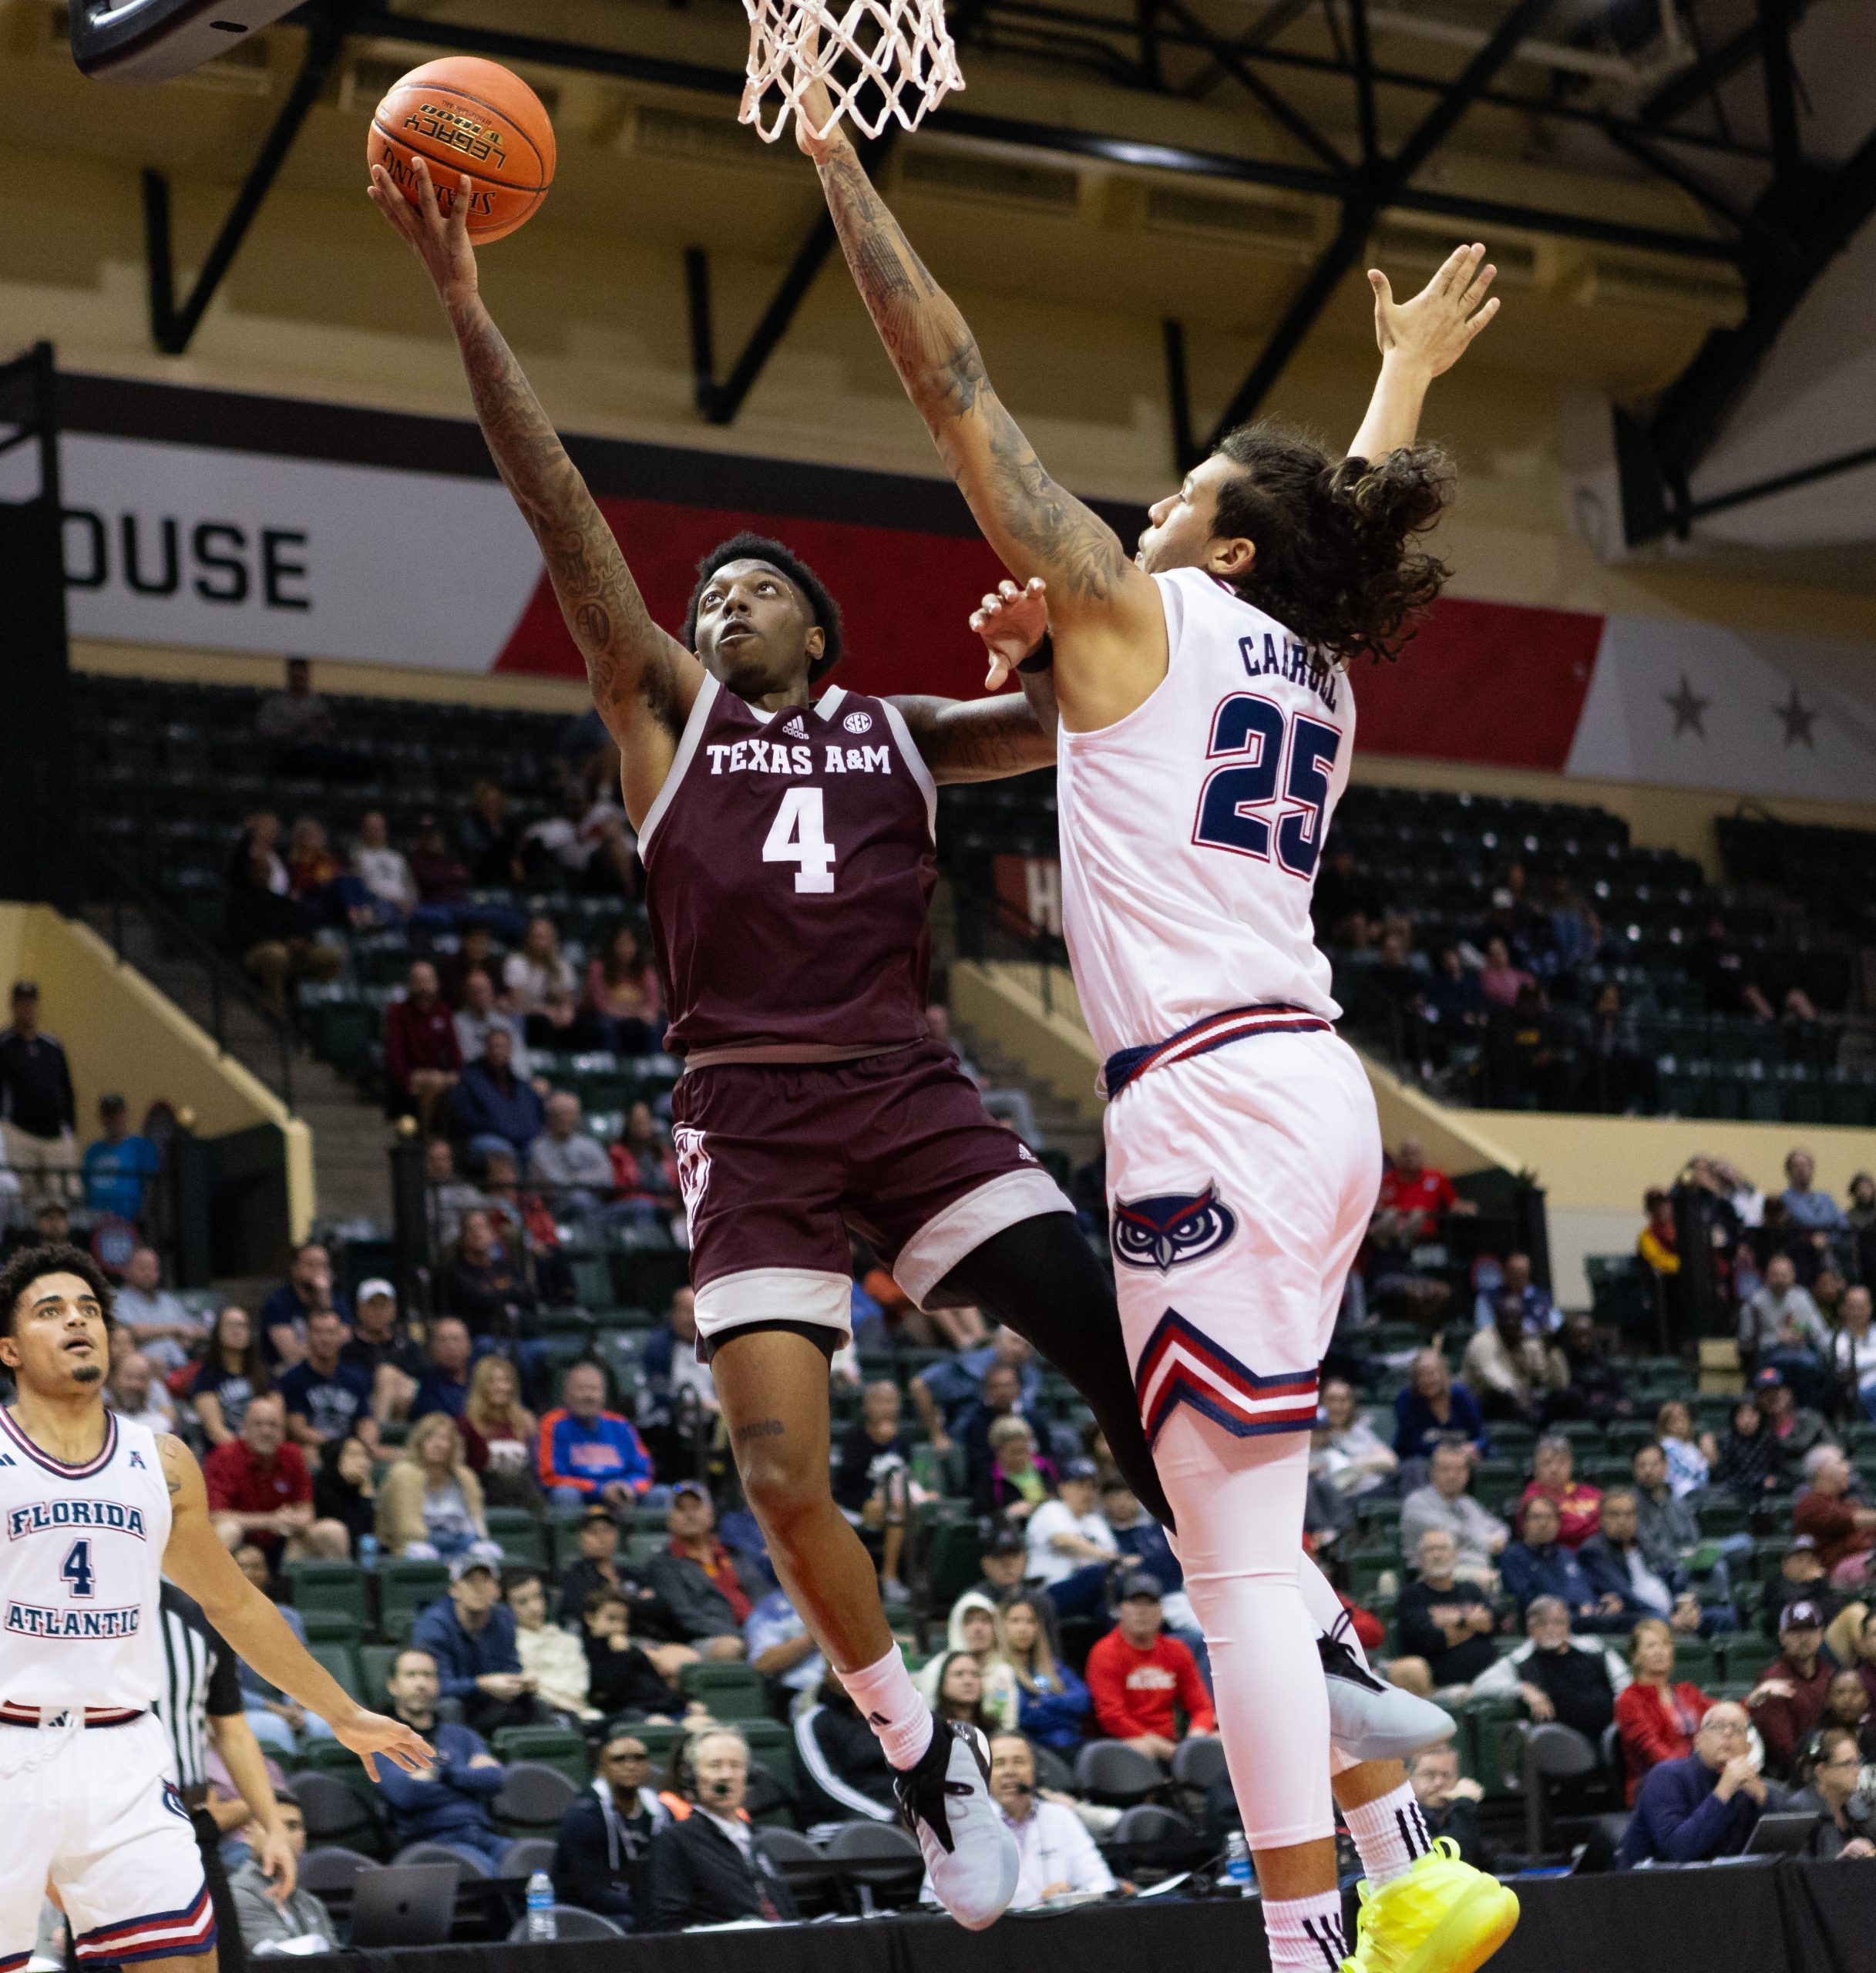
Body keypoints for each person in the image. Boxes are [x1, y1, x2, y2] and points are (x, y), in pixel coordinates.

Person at [373, 154, 1443, 1943]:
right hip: (751, 1114)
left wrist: (1046, 653)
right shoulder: (658, 714)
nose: (721, 598)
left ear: (827, 627)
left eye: (759, 583)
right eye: (706, 589)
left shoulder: (907, 731)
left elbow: (1147, 675)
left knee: (1134, 1372)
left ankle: (1329, 1702)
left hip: (918, 1091)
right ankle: (924, 1756)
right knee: (781, 1473)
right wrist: (469, 310)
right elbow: (560, 507)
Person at [0, 1241, 431, 1973]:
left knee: (189, 1964)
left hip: (123, 1754)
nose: (78, 1321)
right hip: (9, 1748)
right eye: (51, 1311)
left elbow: (235, 1605)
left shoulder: (160, 1463)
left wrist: (341, 1711)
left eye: (90, 1309)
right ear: (9, 1348)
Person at [644, 1727, 799, 1929]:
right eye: (715, 1766)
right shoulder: (675, 1840)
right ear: (691, 1776)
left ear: (749, 1775)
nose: (726, 1775)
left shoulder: (755, 1840)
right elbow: (668, 1924)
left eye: (735, 1765)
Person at [374, 1645, 510, 1870]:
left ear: (437, 1684)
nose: (421, 1684)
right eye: (411, 1675)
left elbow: (494, 1779)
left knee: (538, 1867)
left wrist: (439, 1773)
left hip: (484, 1836)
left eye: (428, 1676)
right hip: (434, 1844)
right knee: (489, 1872)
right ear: (393, 1686)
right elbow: (405, 1794)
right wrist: (467, 1777)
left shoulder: (462, 1735)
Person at [1084, 1574, 1216, 1760]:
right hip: (1128, 1742)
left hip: (1173, 1740)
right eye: (1135, 1603)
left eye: (1150, 1604)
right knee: (1142, 1748)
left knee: (1217, 1741)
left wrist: (1196, 1738)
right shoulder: (1105, 1652)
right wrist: (1163, 1748)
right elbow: (1112, 1717)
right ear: (1121, 1609)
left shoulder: (1177, 1650)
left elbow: (1201, 1707)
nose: (1142, 1611)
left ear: (1161, 1611)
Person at [204, 1393, 350, 1563]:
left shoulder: (293, 1454)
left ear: (282, 1431)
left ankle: (308, 1588)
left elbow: (306, 1512)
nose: (266, 1431)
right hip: (242, 1542)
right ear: (244, 1429)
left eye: (273, 1425)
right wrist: (271, 1521)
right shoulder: (223, 1456)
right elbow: (215, 1516)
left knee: (333, 1531)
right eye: (259, 1424)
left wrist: (292, 1520)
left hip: (284, 1541)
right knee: (228, 1530)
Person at [1617, 1703, 1766, 1867]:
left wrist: (1763, 1800)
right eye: (1718, 1726)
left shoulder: (1746, 1785)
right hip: (1650, 1884)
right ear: (1698, 1741)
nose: (1728, 1733)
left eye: (1737, 1729)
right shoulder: (1666, 1776)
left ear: (1748, 1748)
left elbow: (1774, 1851)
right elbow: (1679, 1850)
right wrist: (1723, 1792)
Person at [410, 1555, 540, 1736]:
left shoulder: (504, 1618)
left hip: (489, 1703)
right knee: (450, 1707)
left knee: (536, 1704)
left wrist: (521, 1682)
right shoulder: (434, 1625)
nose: (479, 1588)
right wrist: (481, 1684)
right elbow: (437, 1686)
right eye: (471, 1581)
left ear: (496, 1590)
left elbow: (510, 1667)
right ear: (454, 1590)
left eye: (486, 1581)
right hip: (453, 1704)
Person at [1471, 1595, 1629, 1744]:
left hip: (1611, 1732)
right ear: (1530, 1629)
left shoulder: (1594, 1648)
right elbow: (1480, 1685)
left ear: (1567, 1625)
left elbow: (1625, 1684)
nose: (1550, 1629)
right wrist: (1523, 1689)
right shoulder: (1519, 1660)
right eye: (1542, 1623)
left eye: (1558, 1622)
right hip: (1559, 1744)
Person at [983, 1732, 1117, 1906]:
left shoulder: (1060, 1817)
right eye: (999, 1764)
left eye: (1018, 1762)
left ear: (1037, 1771)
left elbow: (1101, 1883)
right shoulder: (969, 1825)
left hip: (1057, 1926)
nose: (1009, 1772)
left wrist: (1069, 1897)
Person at [553, 1729, 670, 1919]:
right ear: (601, 1769)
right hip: (588, 1915)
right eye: (620, 1759)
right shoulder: (583, 1818)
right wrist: (651, 1908)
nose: (631, 1766)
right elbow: (591, 1891)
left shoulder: (661, 1812)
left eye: (639, 1758)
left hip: (644, 1907)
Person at [1577, 1489, 1712, 1637]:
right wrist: (1670, 1619)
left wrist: (1686, 1605)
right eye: (1615, 1514)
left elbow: (1671, 1574)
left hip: (1667, 1614)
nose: (1623, 1521)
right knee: (1658, 1622)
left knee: (1722, 1618)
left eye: (1629, 1514)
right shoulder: (1594, 1551)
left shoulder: (1642, 1544)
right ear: (1602, 1519)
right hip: (1636, 1619)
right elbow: (1626, 1597)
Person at [377, 1410, 502, 1565]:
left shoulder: (465, 1476)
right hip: (422, 1545)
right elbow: (404, 1530)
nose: (439, 1444)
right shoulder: (404, 1474)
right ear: (420, 1442)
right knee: (421, 1555)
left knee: (490, 1553)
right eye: (431, 1438)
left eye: (445, 1439)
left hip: (464, 1543)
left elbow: (477, 1524)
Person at [1613, 1618, 1714, 1805]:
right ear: (1635, 1656)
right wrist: (1697, 1771)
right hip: (1654, 1784)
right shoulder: (1629, 1701)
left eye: (1664, 1644)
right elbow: (1652, 1751)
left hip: (1696, 1778)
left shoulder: (1686, 1691)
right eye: (1651, 1646)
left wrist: (1754, 1699)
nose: (1659, 1651)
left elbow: (1722, 1713)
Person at [648, 1482, 754, 1660]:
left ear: (711, 1514)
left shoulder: (734, 1555)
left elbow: (762, 1594)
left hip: (755, 1631)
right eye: (681, 1509)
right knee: (732, 1647)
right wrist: (743, 1635)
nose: (690, 1515)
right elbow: (686, 1618)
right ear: (669, 1520)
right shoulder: (664, 1564)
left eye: (696, 1507)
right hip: (706, 1639)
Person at [832, 1377, 913, 1595]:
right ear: (866, 1406)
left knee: (908, 1508)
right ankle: (890, 1576)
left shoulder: (902, 1442)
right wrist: (878, 1444)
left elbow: (905, 1477)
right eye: (880, 1401)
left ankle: (912, 1577)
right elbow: (849, 1478)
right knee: (896, 1509)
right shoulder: (855, 1437)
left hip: (892, 1503)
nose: (887, 1407)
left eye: (892, 1401)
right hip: (855, 1504)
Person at [537, 1359, 656, 1508]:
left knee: (660, 1494)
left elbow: (643, 1472)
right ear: (566, 1394)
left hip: (623, 1495)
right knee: (565, 1495)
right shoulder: (553, 1423)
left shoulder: (620, 1424)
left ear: (604, 1395)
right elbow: (550, 1477)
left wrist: (629, 1487)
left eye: (594, 1389)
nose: (588, 1396)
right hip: (579, 1497)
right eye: (581, 1389)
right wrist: (599, 1490)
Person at [1394, 1529, 1497, 1694]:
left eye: (1443, 1548)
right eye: (1430, 1550)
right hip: (1439, 1687)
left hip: (1487, 1679)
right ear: (1419, 1559)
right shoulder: (1411, 1595)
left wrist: (1451, 1621)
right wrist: (1469, 1622)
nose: (1437, 1555)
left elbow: (1490, 1624)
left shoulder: (1471, 1590)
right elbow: (1431, 1638)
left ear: (1455, 1555)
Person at [228, 1792, 331, 1955]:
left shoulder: (312, 1903)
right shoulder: (236, 1896)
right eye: (270, 1827)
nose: (282, 1836)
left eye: (292, 1826)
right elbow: (282, 1964)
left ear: (303, 1839)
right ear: (248, 1835)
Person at [0, 981, 77, 1198]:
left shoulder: (52, 1045)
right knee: (25, 1198)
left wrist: (69, 1126)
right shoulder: (4, 1045)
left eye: (31, 1003)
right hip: (19, 1134)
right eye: (22, 1003)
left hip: (55, 1136)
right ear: (13, 1006)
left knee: (61, 1197)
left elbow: (66, 1090)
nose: (27, 1009)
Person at [792, 1670, 901, 1823]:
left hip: (894, 1818)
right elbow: (827, 1788)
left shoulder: (881, 1719)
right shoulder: (813, 1722)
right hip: (841, 1826)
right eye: (836, 1667)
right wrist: (890, 1817)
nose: (845, 1674)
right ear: (825, 1675)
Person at [1399, 1440, 1509, 1585]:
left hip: (1478, 1570)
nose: (1452, 1475)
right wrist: (1487, 1541)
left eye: (1459, 1470)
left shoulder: (1469, 1504)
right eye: (1445, 1469)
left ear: (1467, 1474)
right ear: (1432, 1473)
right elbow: (1456, 1535)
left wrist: (1499, 1536)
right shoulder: (1416, 1503)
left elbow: (1500, 1528)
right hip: (1433, 1575)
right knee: (1488, 1580)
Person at [1748, 1599, 1837, 1780]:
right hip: (1793, 1779)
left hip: (1835, 1770)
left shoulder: (1831, 1675)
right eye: (1795, 1631)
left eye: (1810, 1630)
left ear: (1821, 1634)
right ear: (1782, 1636)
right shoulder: (1772, 1682)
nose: (1803, 1638)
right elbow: (1784, 1752)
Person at [276, 1307, 378, 1460]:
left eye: (331, 1332)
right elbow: (298, 1428)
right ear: (308, 1335)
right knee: (309, 1454)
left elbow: (366, 1420)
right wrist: (340, 1446)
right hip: (318, 1449)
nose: (325, 1339)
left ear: (340, 1336)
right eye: (319, 1332)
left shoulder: (355, 1377)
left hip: (352, 1449)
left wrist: (365, 1442)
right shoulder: (294, 1378)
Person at [1501, 1494, 1612, 1629]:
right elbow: (1528, 1599)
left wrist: (1602, 1603)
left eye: (1549, 1517)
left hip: (1589, 1616)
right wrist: (1575, 1608)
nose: (1543, 1523)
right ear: (1524, 1523)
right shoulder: (1513, 1555)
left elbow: (1585, 1587)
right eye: (1536, 1517)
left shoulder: (1564, 1553)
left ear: (1558, 1523)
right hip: (1551, 1624)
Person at [1000, 1594, 1092, 1752]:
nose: (1023, 1628)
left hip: (1073, 1743)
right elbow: (1025, 1716)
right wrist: (1063, 1710)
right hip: (1034, 1749)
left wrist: (1044, 1701)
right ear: (1001, 1626)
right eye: (1015, 1621)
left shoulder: (1053, 1666)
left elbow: (1082, 1699)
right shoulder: (1000, 1672)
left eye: (1030, 1621)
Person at [450, 1026, 547, 1169]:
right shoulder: (469, 1079)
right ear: (486, 1048)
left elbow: (538, 1116)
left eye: (502, 1046)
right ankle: (507, 1191)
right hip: (485, 1138)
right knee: (502, 1150)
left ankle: (531, 1192)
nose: (498, 1051)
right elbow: (464, 1116)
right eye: (494, 1046)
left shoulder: (520, 1083)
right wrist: (497, 1125)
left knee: (540, 1150)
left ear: (510, 1050)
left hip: (522, 1139)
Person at [1740, 1252, 1831, 1405]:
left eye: (1784, 1275)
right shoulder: (1755, 1302)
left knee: (1815, 1366)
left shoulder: (1802, 1297)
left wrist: (1807, 1337)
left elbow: (1820, 1332)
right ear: (1767, 1276)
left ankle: (1809, 1412)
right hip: (1768, 1357)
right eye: (1776, 1275)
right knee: (1801, 1364)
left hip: (1802, 1352)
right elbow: (1745, 1342)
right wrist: (1778, 1340)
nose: (1780, 1280)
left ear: (1793, 1276)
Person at [583, 1584, 685, 1719]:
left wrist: (685, 1704)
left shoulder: (632, 1650)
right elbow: (610, 1687)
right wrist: (621, 1654)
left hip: (663, 1708)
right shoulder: (587, 1650)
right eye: (611, 1619)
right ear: (590, 1618)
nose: (619, 1628)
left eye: (624, 1621)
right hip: (634, 1715)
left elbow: (657, 1686)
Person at [1461, 1295, 1565, 1427]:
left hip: (1522, 1400)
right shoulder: (1482, 1342)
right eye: (1507, 1318)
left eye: (1516, 1318)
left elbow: (1556, 1383)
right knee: (1502, 1399)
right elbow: (1496, 1378)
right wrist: (1521, 1394)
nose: (1512, 1323)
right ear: (1497, 1318)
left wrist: (1550, 1351)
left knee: (1565, 1399)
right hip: (1483, 1403)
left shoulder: (1528, 1341)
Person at [383, 960, 462, 1134]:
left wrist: (455, 1072)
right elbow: (394, 1053)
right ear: (410, 984)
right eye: (418, 981)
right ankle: (427, 1135)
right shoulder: (397, 1012)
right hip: (410, 1076)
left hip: (438, 1074)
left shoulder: (443, 1011)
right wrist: (407, 1079)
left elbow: (454, 1049)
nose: (424, 987)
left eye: (428, 981)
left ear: (436, 984)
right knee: (433, 1083)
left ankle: (432, 1135)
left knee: (442, 1083)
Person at [459, 1352, 541, 1509]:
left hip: (523, 1495)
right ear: (481, 1386)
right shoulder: (467, 1425)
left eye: (505, 1381)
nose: (500, 1387)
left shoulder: (525, 1421)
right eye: (492, 1382)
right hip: (484, 1494)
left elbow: (535, 1468)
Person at [340, 1279, 425, 1423]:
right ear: (360, 1310)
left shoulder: (408, 1347)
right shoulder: (349, 1349)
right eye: (372, 1305)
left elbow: (420, 1383)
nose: (379, 1312)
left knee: (401, 1389)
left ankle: (382, 1435)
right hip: (363, 1408)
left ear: (394, 1310)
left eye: (384, 1306)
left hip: (407, 1406)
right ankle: (381, 1434)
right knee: (385, 1374)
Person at [257, 1242, 349, 1373]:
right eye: (311, 1265)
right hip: (288, 1374)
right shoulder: (278, 1302)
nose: (318, 1271)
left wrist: (324, 1299)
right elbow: (291, 1355)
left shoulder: (339, 1302)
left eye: (323, 1266)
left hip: (331, 1373)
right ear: (295, 1269)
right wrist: (325, 1349)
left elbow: (344, 1348)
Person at [1794, 1445, 1876, 1587]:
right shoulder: (1808, 1505)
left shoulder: (1848, 1503)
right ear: (1821, 1471)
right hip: (1834, 1572)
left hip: (1866, 1561)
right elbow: (1846, 1519)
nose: (1848, 1467)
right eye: (1841, 1462)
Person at [1403, 1744, 1490, 1870]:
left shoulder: (1453, 1814)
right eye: (1429, 1775)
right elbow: (1447, 1866)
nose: (1439, 1783)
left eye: (1446, 1775)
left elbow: (1488, 1862)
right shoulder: (1402, 1819)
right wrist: (1465, 1805)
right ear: (1409, 1778)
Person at [191, 1305, 269, 1446]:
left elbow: (277, 1422)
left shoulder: (263, 1373)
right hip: (227, 1454)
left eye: (242, 1325)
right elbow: (215, 1430)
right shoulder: (206, 1378)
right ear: (218, 1332)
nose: (237, 1330)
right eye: (230, 1325)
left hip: (263, 1450)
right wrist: (244, 1451)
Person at [1394, 1350, 1488, 1464]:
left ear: (1443, 1374)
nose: (1427, 1380)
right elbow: (1411, 1442)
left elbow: (1482, 1436)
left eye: (1431, 1374)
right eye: (1421, 1375)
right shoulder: (1406, 1399)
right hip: (1422, 1461)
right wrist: (1445, 1453)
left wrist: (1474, 1447)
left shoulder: (1462, 1396)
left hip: (1465, 1458)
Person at [82, 1095, 163, 1224]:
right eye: (107, 1114)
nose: (112, 1119)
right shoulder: (93, 1150)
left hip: (130, 1221)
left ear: (124, 1115)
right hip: (96, 1222)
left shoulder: (141, 1147)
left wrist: (142, 1218)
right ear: (101, 1118)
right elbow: (85, 1186)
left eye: (116, 1114)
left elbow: (151, 1185)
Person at [586, 923, 665, 1054]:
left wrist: (637, 1013)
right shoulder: (598, 969)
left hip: (636, 1023)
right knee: (607, 1025)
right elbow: (602, 1006)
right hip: (606, 1020)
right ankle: (609, 1064)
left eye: (630, 944)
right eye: (621, 944)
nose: (625, 949)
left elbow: (652, 1006)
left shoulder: (646, 972)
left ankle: (653, 1065)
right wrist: (636, 1013)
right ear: (612, 945)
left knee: (656, 1025)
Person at [1375, 1137, 1472, 1242]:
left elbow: (1454, 1204)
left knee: (1417, 1215)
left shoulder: (1436, 1178)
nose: (1411, 1158)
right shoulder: (1387, 1181)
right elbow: (1376, 1207)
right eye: (1407, 1154)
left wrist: (1467, 1208)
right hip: (1387, 1239)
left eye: (1415, 1153)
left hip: (1423, 1240)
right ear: (1399, 1157)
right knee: (1390, 1214)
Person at [1313, 1378, 1397, 1497]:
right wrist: (1371, 1463)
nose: (1337, 1406)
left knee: (1413, 1468)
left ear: (1350, 1404)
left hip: (1380, 1487)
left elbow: (1390, 1461)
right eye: (1332, 1400)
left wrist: (1353, 1464)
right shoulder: (1315, 1436)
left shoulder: (1358, 1430)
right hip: (1348, 1497)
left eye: (1343, 1400)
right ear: (1322, 1403)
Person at [1517, 1434, 1602, 1551]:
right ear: (1537, 1468)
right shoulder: (1532, 1497)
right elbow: (1559, 1530)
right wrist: (1592, 1523)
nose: (1554, 1469)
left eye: (1561, 1462)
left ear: (1571, 1464)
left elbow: (1608, 1521)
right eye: (1547, 1463)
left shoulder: (1590, 1493)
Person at [1713, 1394, 1784, 1503]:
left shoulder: (1770, 1440)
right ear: (1734, 1418)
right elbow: (1723, 1475)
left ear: (1760, 1416)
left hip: (1765, 1493)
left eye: (1752, 1415)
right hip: (1735, 1493)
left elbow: (1780, 1470)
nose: (1747, 1420)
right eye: (1742, 1415)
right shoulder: (1727, 1442)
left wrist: (1773, 1479)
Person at [408, 1313, 475, 1421]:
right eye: (443, 1340)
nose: (450, 1347)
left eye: (456, 1339)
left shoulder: (480, 1379)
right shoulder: (426, 1382)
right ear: (433, 1348)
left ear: (469, 1345)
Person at [1655, 1397, 1716, 1498]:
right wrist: (1704, 1456)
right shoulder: (1667, 1445)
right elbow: (1693, 1471)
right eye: (1674, 1422)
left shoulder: (1690, 1446)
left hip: (1698, 1492)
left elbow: (1704, 1474)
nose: (1680, 1425)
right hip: (1677, 1495)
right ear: (1665, 1425)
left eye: (1683, 1419)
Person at [109, 1349, 177, 1435]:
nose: (135, 1385)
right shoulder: (101, 1424)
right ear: (114, 1380)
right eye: (129, 1377)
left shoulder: (162, 1425)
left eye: (142, 1378)